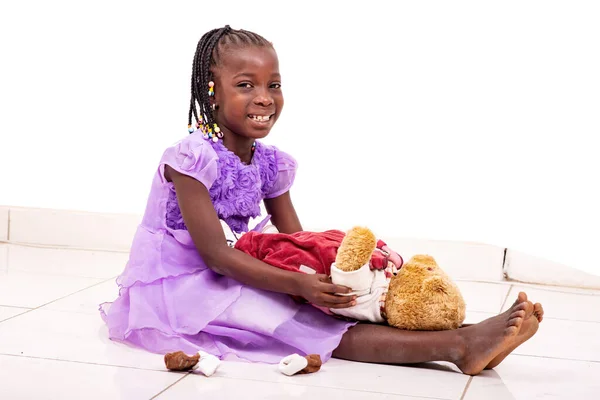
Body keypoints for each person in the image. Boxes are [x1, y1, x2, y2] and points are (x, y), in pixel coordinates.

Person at [100, 25, 544, 375]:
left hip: (237, 264)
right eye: (245, 85)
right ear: (212, 92)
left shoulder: (270, 162)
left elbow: (295, 237)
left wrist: (330, 274)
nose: (264, 98)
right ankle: (460, 347)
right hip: (184, 284)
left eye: (273, 84)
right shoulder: (189, 158)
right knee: (305, 324)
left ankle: (469, 333)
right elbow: (215, 256)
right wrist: (298, 286)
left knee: (332, 297)